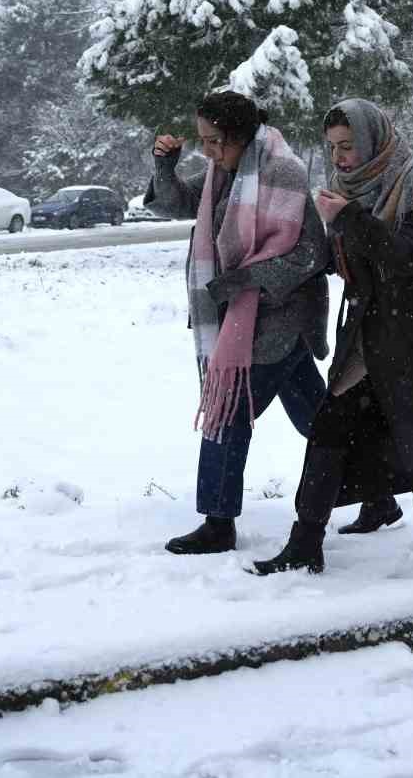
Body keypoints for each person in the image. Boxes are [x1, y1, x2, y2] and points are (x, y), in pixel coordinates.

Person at [252, 98, 413, 575]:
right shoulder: (345, 189)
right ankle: (306, 542)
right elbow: (342, 261)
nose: (340, 156)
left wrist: (349, 219)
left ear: (372, 140)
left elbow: (407, 257)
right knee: (330, 425)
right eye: (333, 147)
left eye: (347, 145)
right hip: (367, 334)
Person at [146, 90, 331, 555]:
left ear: (241, 135)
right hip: (245, 318)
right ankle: (378, 491)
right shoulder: (224, 173)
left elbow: (312, 252)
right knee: (322, 421)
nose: (208, 151)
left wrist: (248, 278)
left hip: (277, 319)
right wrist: (165, 167)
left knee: (226, 413)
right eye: (203, 141)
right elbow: (176, 204)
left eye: (215, 141)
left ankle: (218, 522)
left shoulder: (282, 172)